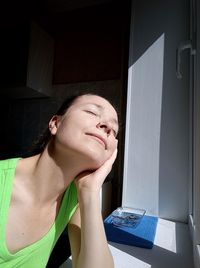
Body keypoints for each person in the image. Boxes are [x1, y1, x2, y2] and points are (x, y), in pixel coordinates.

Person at [0, 93, 119, 268]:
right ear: (55, 124)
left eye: (114, 130)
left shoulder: (76, 200)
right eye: (93, 112)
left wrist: (90, 192)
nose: (107, 126)